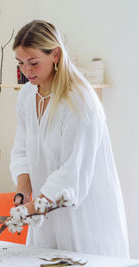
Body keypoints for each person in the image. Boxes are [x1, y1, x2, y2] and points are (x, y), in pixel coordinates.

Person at [9, 20, 129, 257]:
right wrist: (23, 194)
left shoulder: (78, 100)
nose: (26, 71)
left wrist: (32, 209)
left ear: (55, 55)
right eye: (21, 63)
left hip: (85, 219)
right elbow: (21, 150)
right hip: (47, 218)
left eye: (33, 62)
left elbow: (73, 172)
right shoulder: (26, 96)